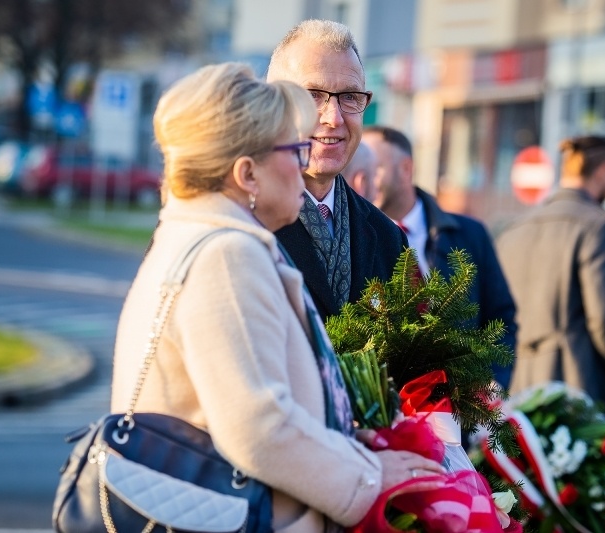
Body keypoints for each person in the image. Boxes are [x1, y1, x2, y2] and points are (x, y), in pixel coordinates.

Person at [111, 63, 443, 533]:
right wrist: (367, 478)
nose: (305, 156)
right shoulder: (225, 256)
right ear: (247, 174)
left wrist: (344, 444)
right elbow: (259, 428)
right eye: (293, 147)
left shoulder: (207, 239)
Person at [495, 136, 605, 420]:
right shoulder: (603, 226)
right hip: (578, 393)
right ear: (603, 172)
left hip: (517, 391)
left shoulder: (513, 230)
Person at [266, 19, 408, 322]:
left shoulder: (388, 239)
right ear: (273, 102)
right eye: (312, 95)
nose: (334, 117)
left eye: (350, 97)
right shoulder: (232, 219)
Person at [363, 125, 517, 386]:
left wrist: (491, 384)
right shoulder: (361, 242)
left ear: (405, 169)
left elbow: (501, 318)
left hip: (467, 410)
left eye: (374, 169)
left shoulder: (470, 235)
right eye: (360, 171)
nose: (364, 181)